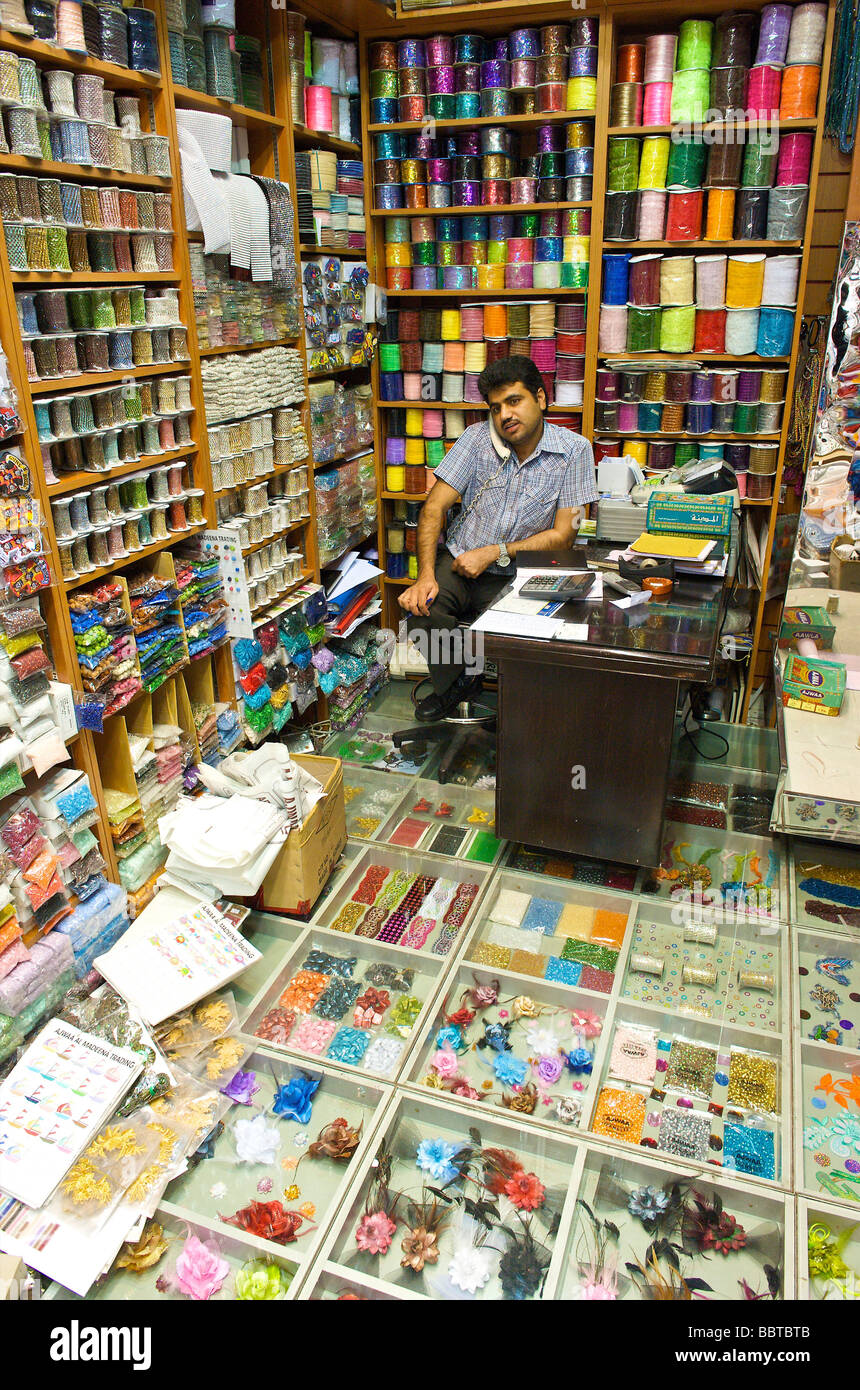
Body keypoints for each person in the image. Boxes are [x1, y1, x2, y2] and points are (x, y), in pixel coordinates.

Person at [399, 354, 597, 720]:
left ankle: (523, 717)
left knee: (527, 635)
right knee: (421, 607)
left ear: (541, 398)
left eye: (514, 401)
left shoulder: (574, 451)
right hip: (459, 563)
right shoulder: (476, 440)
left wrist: (495, 552)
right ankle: (456, 683)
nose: (505, 414)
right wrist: (424, 575)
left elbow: (564, 536)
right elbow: (432, 510)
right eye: (495, 407)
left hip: (522, 574)